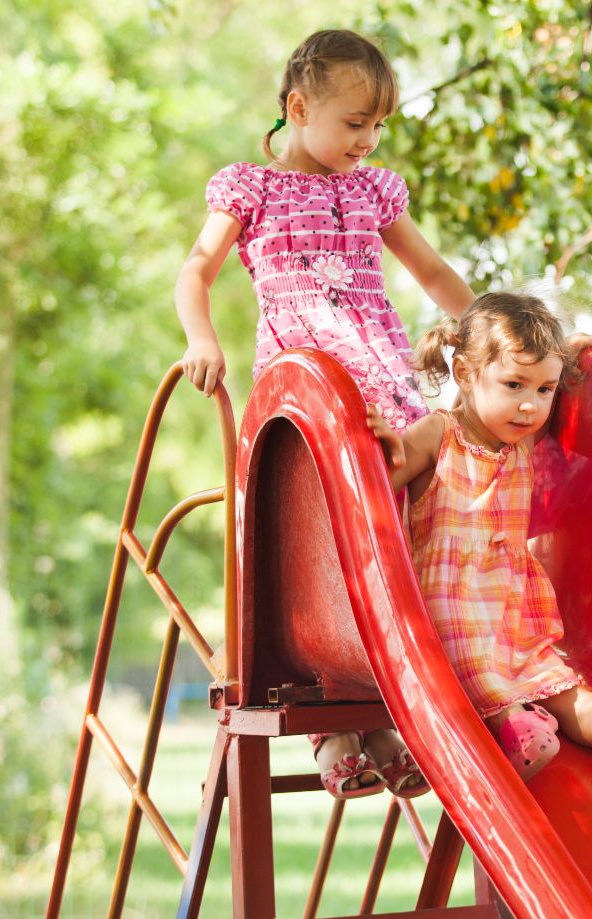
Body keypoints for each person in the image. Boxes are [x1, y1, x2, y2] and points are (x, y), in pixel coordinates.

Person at [172, 28, 460, 798]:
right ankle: (338, 726)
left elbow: (429, 270)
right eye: (353, 122)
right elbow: (196, 270)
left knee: (418, 495)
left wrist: (488, 331)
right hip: (309, 392)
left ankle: (393, 700)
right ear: (299, 109)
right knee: (327, 540)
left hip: (381, 374)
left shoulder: (372, 192)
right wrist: (203, 338)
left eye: (377, 127)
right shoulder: (252, 191)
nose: (366, 140)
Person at [367, 292, 592, 788]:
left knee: (559, 686)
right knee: (477, 678)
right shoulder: (439, 434)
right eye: (514, 384)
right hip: (451, 604)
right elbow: (376, 482)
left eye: (545, 389)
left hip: (512, 607)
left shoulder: (520, 439)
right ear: (463, 374)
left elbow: (564, 396)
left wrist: (579, 352)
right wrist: (377, 444)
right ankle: (516, 725)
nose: (529, 404)